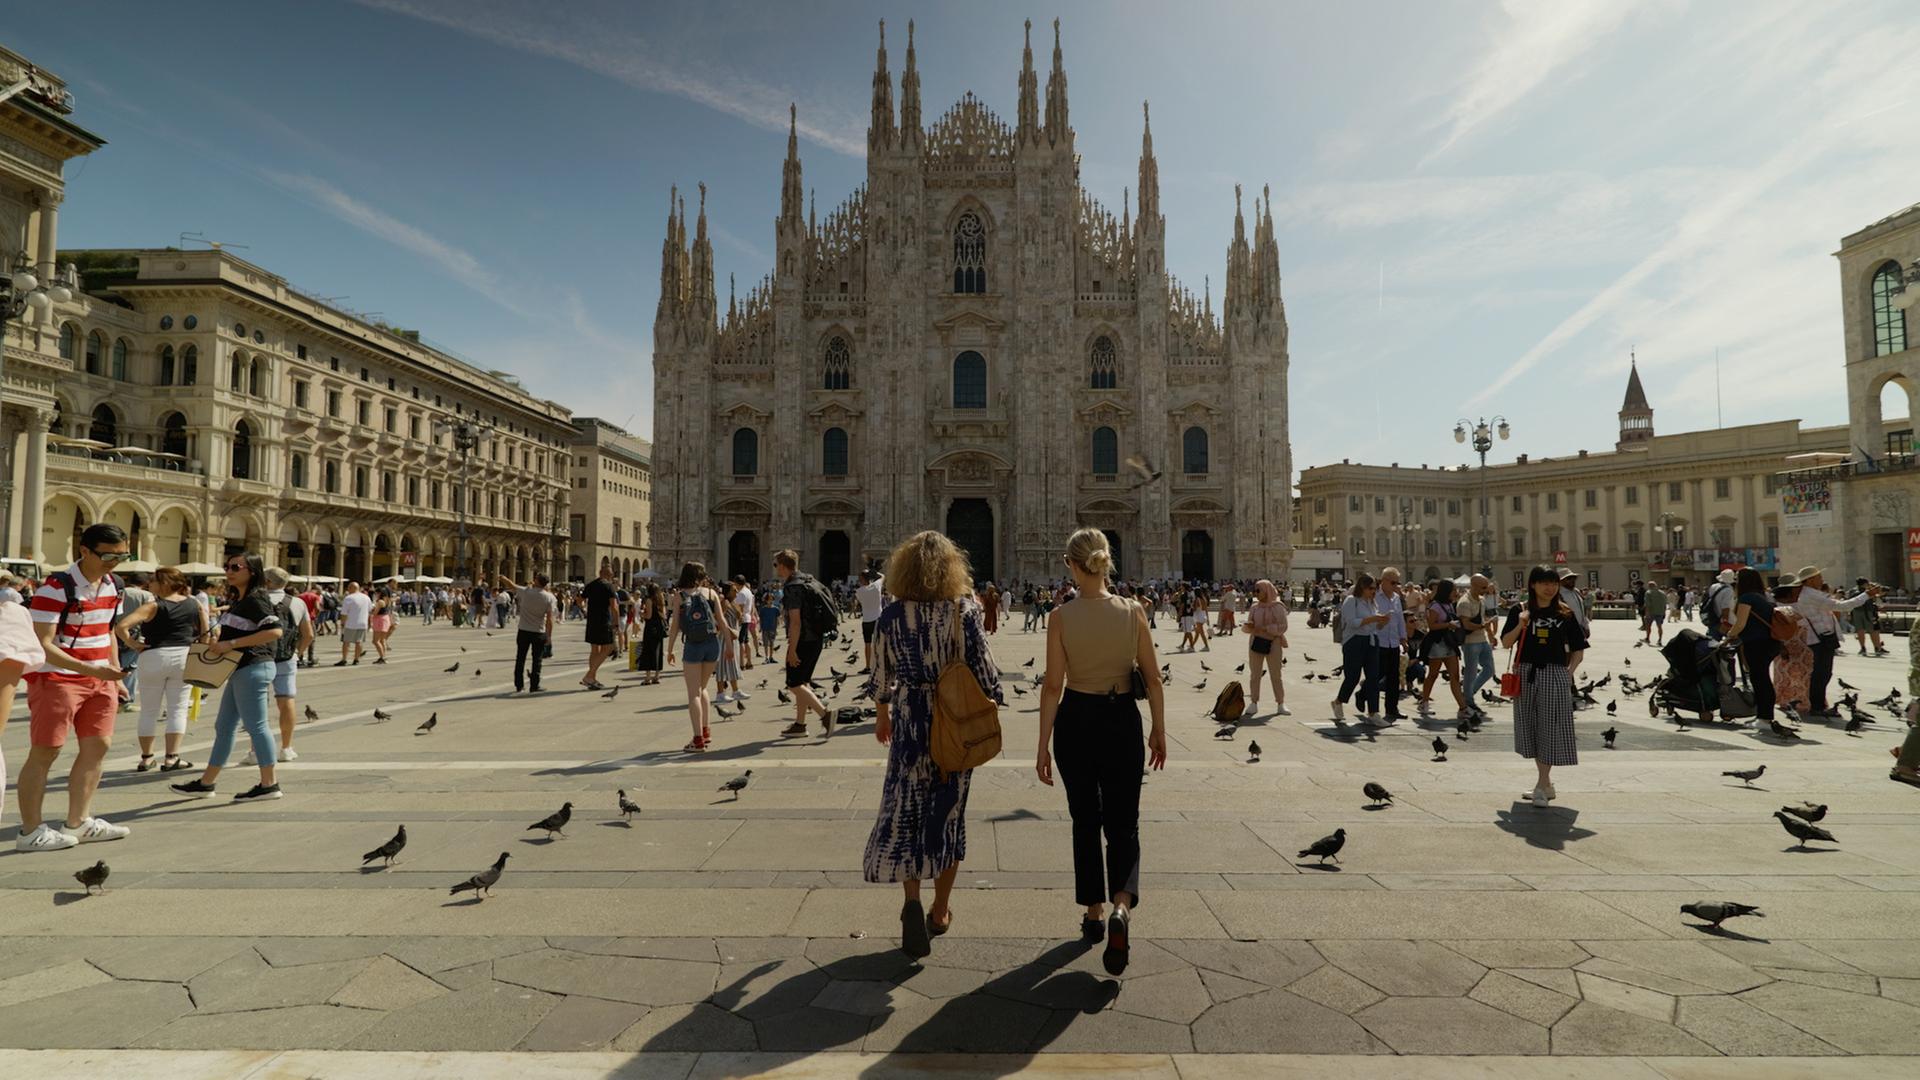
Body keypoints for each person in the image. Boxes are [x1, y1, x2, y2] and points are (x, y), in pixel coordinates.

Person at [861, 531, 1004, 959]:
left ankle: (911, 902)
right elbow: (986, 674)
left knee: (907, 812)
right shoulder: (963, 613)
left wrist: (884, 714)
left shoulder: (889, 617)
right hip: (952, 725)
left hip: (909, 721)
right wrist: (990, 701)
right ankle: (940, 911)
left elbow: (879, 679)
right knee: (948, 814)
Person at [1034, 529, 1164, 974]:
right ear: (1107, 563)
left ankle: (1092, 912)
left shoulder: (1060, 616)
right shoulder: (1134, 612)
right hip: (1122, 720)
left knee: (1085, 821)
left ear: (1071, 565)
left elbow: (1052, 686)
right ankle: (1121, 908)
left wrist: (1041, 747)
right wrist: (1159, 731)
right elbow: (1154, 677)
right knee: (1124, 824)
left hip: (1076, 721)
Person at [15, 524, 134, 851]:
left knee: (98, 747)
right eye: (109, 555)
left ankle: (79, 822)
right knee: (45, 752)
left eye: (123, 555)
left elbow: (108, 630)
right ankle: (29, 832)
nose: (115, 562)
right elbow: (43, 644)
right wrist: (88, 669)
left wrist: (111, 671)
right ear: (85, 551)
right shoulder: (55, 588)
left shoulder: (114, 584)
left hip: (100, 678)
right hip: (58, 678)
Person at [169, 552, 284, 802]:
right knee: (224, 727)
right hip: (241, 669)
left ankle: (269, 783)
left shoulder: (256, 598)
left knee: (257, 726)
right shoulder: (241, 599)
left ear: (252, 571)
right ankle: (206, 782)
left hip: (253, 667)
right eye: (226, 566)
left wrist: (230, 643)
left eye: (235, 567)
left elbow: (275, 631)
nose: (229, 571)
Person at [1499, 565, 1589, 809]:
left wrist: (1567, 674)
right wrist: (1520, 624)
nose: (1550, 588)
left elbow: (1578, 650)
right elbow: (1506, 643)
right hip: (1526, 672)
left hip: (1554, 672)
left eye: (1553, 583)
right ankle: (1546, 783)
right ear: (1533, 585)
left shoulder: (1565, 613)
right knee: (1531, 726)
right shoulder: (1521, 610)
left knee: (1549, 726)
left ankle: (1541, 785)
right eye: (1544, 583)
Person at [115, 566, 204, 773]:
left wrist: (133, 644)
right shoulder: (194, 603)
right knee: (178, 709)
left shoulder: (153, 605)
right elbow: (206, 631)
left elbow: (121, 627)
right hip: (183, 655)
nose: (150, 583)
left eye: (154, 580)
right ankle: (172, 758)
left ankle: (146, 759)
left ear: (164, 583)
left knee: (149, 710)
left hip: (153, 655)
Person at [1788, 566, 1873, 719]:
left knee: (1822, 672)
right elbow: (1842, 606)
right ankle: (1817, 706)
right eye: (1818, 577)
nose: (1821, 580)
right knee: (1822, 673)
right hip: (1821, 638)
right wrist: (1866, 595)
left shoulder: (1809, 594)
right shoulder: (1812, 595)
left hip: (1822, 637)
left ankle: (1818, 704)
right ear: (1810, 580)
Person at [248, 567, 313, 765]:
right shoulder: (298, 602)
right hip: (286, 658)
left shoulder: (254, 601)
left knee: (257, 705)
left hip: (258, 658)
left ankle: (255, 752)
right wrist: (296, 653)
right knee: (286, 701)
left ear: (267, 582)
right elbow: (308, 634)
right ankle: (286, 748)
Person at [664, 562, 728, 752]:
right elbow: (721, 620)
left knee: (693, 694)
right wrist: (730, 646)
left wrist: (670, 649)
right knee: (703, 688)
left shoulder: (680, 595)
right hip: (712, 643)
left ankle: (697, 739)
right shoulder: (711, 593)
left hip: (693, 645)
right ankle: (706, 731)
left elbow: (675, 624)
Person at [775, 549, 833, 737]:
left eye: (776, 566)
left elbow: (796, 622)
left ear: (783, 566)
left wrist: (792, 650)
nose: (776, 570)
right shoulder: (809, 580)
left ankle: (825, 715)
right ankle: (800, 724)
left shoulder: (793, 587)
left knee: (793, 684)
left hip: (803, 640)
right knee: (803, 682)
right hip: (816, 638)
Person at [1727, 567, 1782, 725]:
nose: (1735, 581)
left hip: (1757, 644)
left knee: (1760, 680)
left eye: (1737, 578)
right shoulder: (1762, 596)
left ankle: (1764, 718)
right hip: (1770, 642)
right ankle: (1763, 715)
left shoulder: (1747, 598)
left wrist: (1729, 635)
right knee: (1762, 678)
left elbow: (1740, 623)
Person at [1417, 578, 1470, 721]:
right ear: (1446, 591)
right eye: (1453, 590)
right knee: (1433, 674)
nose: (1456, 592)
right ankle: (1424, 702)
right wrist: (1448, 624)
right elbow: (1432, 626)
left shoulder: (1449, 605)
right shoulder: (1435, 606)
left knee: (1455, 676)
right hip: (1438, 643)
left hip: (1449, 643)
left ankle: (1463, 708)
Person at [500, 572, 556, 694]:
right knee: (537, 660)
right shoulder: (549, 597)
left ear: (536, 581)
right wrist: (549, 636)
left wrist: (504, 578)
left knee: (520, 658)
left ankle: (519, 685)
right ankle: (534, 685)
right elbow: (550, 618)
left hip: (524, 630)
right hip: (539, 632)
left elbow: (512, 585)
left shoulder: (526, 591)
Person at [1243, 579, 1289, 717]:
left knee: (1276, 674)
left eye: (1258, 590)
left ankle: (1280, 703)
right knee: (1255, 674)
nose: (1256, 593)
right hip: (1256, 641)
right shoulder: (1254, 607)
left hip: (1273, 642)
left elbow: (1283, 626)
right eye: (1254, 591)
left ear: (1267, 590)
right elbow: (1249, 626)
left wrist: (1266, 629)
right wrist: (1249, 625)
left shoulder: (1278, 607)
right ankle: (1254, 702)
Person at [1770, 576, 1814, 716]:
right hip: (1788, 643)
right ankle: (1792, 701)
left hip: (1801, 645)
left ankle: (1794, 700)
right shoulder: (1777, 607)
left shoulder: (1799, 604)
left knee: (1797, 674)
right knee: (1789, 674)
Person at [1457, 574, 1498, 715]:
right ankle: (1468, 701)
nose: (1486, 590)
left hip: (1482, 640)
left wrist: (1491, 635)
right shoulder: (1464, 602)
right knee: (1471, 672)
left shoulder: (1481, 600)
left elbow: (1482, 619)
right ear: (1473, 586)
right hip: (1470, 643)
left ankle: (1468, 693)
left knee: (1489, 670)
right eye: (1483, 587)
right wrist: (1482, 626)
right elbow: (1466, 625)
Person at [1374, 568, 1408, 721]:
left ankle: (1392, 709)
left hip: (1393, 642)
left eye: (1397, 583)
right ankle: (1362, 695)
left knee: (1393, 677)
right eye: (1393, 582)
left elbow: (1400, 618)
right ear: (1384, 581)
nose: (1396, 586)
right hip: (1378, 640)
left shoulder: (1396, 597)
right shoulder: (1374, 596)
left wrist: (1403, 638)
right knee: (1377, 674)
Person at [580, 564, 618, 690]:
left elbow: (579, 600)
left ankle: (592, 679)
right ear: (608, 574)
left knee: (594, 650)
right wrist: (616, 624)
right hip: (603, 621)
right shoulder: (609, 586)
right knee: (608, 648)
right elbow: (614, 607)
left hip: (592, 621)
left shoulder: (590, 585)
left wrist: (584, 610)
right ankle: (589, 676)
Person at [712, 580, 747, 705]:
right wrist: (728, 630)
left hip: (733, 638)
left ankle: (735, 690)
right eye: (734, 590)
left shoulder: (733, 603)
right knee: (722, 665)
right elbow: (718, 620)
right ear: (728, 591)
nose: (737, 591)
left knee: (733, 665)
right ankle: (720, 693)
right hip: (724, 638)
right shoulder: (724, 603)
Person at [637, 581, 667, 686]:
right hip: (659, 627)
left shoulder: (649, 600)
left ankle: (648, 677)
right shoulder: (661, 599)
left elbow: (648, 616)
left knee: (648, 651)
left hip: (651, 627)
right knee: (658, 651)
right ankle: (657, 676)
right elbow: (664, 615)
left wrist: (642, 614)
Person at [857, 568, 887, 673]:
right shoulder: (877, 586)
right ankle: (881, 665)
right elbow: (883, 576)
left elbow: (861, 604)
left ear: (862, 580)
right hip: (878, 618)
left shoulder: (859, 591)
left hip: (866, 620)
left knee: (867, 644)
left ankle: (868, 666)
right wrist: (874, 572)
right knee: (879, 643)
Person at [335, 581, 371, 666]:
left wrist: (342, 624)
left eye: (349, 588)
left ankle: (344, 659)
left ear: (352, 588)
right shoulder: (366, 597)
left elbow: (344, 613)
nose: (348, 589)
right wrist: (369, 623)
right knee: (359, 642)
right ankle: (356, 659)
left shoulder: (349, 598)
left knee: (346, 642)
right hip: (362, 623)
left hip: (351, 623)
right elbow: (369, 610)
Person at [1850, 578, 1887, 656]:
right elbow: (1875, 599)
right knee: (1872, 630)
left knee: (1860, 630)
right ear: (1864, 584)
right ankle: (1876, 647)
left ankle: (1863, 648)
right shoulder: (1868, 591)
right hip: (1868, 612)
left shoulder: (1852, 591)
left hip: (1856, 612)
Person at [297, 580, 322, 667]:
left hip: (300, 620)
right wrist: (316, 616)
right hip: (310, 620)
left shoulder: (300, 596)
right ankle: (310, 658)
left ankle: (299, 657)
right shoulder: (315, 597)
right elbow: (317, 608)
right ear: (318, 591)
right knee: (311, 638)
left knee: (300, 639)